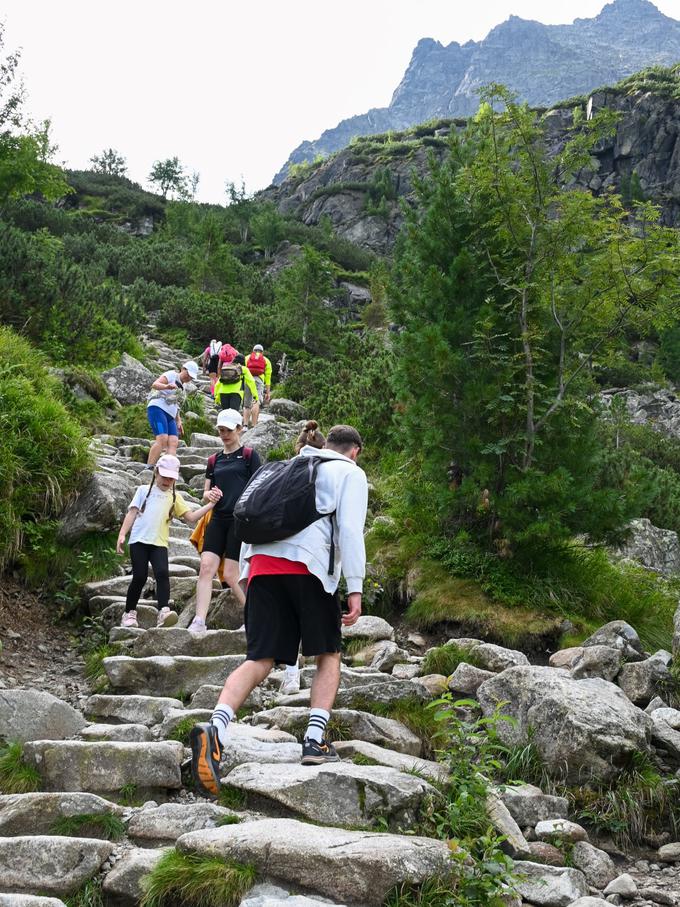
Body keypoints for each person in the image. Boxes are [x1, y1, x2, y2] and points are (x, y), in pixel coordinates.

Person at [190, 424, 367, 797]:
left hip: (262, 567)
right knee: (328, 653)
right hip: (310, 567)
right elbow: (349, 530)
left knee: (260, 657)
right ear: (354, 451)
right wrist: (355, 586)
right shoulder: (349, 472)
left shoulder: (287, 466)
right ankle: (315, 740)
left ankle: (216, 728)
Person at [116, 454, 221, 628]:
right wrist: (122, 534)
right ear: (156, 472)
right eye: (164, 476)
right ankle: (129, 613)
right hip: (139, 541)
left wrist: (211, 505)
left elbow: (191, 518)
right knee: (140, 576)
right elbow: (132, 513)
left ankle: (163, 611)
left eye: (171, 478)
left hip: (159, 543)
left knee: (163, 574)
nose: (167, 481)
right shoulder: (143, 490)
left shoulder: (175, 497)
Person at [187, 409, 262, 634]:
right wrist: (209, 496)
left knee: (230, 574)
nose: (224, 434)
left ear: (239, 429)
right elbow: (205, 491)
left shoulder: (249, 456)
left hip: (239, 520)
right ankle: (199, 620)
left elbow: (258, 485)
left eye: (228, 430)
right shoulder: (214, 459)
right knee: (205, 567)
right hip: (217, 518)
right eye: (221, 430)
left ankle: (254, 617)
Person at [278, 420, 327, 696]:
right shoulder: (326, 473)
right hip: (314, 555)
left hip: (281, 552)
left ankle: (291, 674)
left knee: (289, 618)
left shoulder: (284, 471)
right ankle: (322, 680)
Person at [146, 361, 199, 466]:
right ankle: (149, 467)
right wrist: (167, 387)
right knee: (162, 439)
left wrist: (178, 421)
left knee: (173, 442)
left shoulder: (183, 388)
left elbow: (176, 405)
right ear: (183, 369)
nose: (188, 378)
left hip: (171, 415)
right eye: (187, 374)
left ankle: (167, 469)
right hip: (158, 408)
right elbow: (155, 384)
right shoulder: (171, 375)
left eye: (191, 377)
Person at [244, 343, 272, 429]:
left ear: (253, 350)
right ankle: (254, 425)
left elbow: (242, 370)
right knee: (256, 402)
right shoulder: (266, 360)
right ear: (262, 352)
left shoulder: (247, 358)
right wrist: (268, 392)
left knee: (247, 404)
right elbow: (268, 378)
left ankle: (245, 425)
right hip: (259, 381)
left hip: (248, 380)